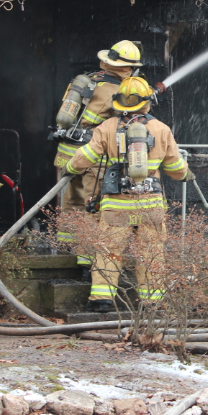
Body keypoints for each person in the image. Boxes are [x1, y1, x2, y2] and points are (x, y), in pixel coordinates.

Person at [64, 76, 194, 312]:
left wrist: (70, 167)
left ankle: (102, 301)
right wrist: (188, 175)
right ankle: (153, 303)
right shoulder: (161, 129)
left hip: (116, 205)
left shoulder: (107, 127)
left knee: (107, 251)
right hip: (150, 205)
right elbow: (175, 168)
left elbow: (88, 156)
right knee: (151, 253)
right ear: (146, 103)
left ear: (119, 102)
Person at [53, 40, 143, 267]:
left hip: (66, 152)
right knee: (91, 206)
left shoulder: (87, 80)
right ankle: (86, 259)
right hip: (93, 156)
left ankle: (65, 249)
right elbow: (126, 122)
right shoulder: (121, 91)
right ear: (128, 68)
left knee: (70, 202)